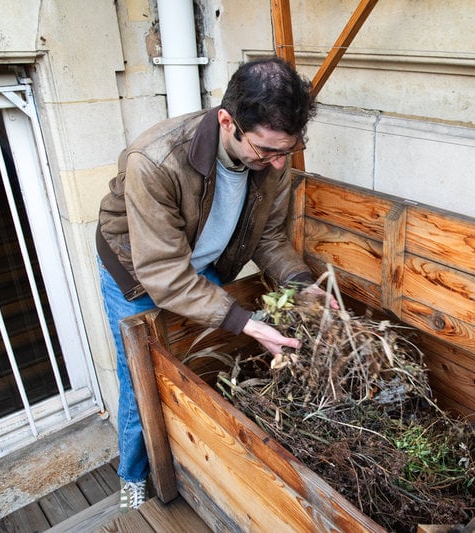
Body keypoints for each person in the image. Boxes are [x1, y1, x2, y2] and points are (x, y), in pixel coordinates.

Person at [96, 57, 335, 512]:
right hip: (138, 266)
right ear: (228, 121)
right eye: (266, 151)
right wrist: (246, 322)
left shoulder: (275, 157)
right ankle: (133, 476)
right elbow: (163, 272)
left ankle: (190, 450)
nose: (279, 163)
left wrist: (302, 283)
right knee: (141, 373)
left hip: (197, 258)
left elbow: (268, 236)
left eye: (288, 151)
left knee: (193, 361)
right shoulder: (156, 160)